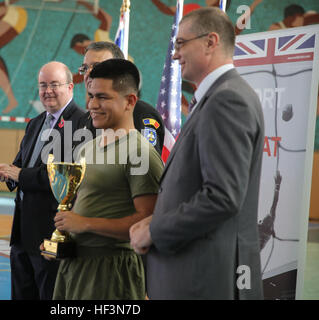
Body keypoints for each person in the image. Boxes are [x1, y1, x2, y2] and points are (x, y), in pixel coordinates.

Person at [130, 7, 265, 299]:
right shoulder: (219, 97)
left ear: (210, 41)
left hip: (202, 278)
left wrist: (155, 229)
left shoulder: (227, 100)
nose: (175, 54)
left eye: (180, 44)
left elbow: (222, 196)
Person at [49, 59, 164, 300]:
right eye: (90, 95)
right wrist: (62, 241)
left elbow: (149, 221)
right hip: (74, 267)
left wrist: (86, 224)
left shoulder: (139, 152)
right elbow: (80, 207)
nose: (92, 104)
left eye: (102, 97)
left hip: (111, 272)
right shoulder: (85, 150)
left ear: (130, 101)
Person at [0, 61, 84, 300]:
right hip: (22, 233)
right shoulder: (35, 123)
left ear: (71, 87)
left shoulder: (81, 124)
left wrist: (19, 175)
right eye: (43, 85)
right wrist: (8, 174)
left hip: (51, 231)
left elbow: (61, 176)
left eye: (54, 84)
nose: (47, 91)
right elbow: (19, 165)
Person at [77, 41, 165, 155]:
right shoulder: (85, 119)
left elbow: (145, 168)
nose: (88, 73)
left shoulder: (140, 113)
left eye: (98, 67)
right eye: (85, 68)